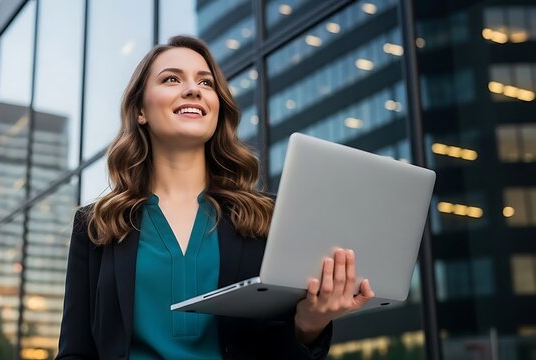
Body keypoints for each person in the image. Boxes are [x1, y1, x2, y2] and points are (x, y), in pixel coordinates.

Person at [56, 35, 374, 360]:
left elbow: (275, 348)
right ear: (140, 110)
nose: (193, 89)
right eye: (171, 79)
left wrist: (311, 322)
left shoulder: (267, 218)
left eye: (206, 83)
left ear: (217, 108)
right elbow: (75, 352)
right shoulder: (97, 225)